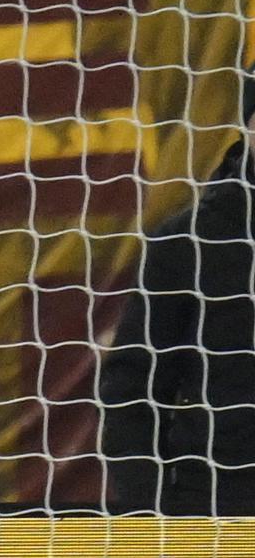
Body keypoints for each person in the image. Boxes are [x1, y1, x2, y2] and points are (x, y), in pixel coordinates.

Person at [99, 71, 255, 515]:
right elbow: (132, 385)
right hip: (221, 508)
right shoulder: (190, 240)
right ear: (248, 124)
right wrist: (150, 512)